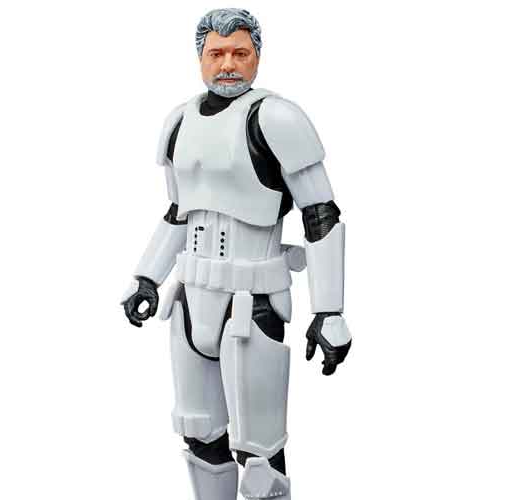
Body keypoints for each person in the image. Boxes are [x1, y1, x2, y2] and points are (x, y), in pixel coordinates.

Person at [121, 8, 352, 500]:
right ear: (201, 58)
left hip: (251, 302)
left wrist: (330, 310)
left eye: (240, 53)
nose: (228, 64)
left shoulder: (276, 119)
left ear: (257, 57)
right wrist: (147, 277)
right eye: (217, 53)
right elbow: (179, 211)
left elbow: (320, 214)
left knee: (259, 452)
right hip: (190, 298)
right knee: (200, 434)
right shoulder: (179, 122)